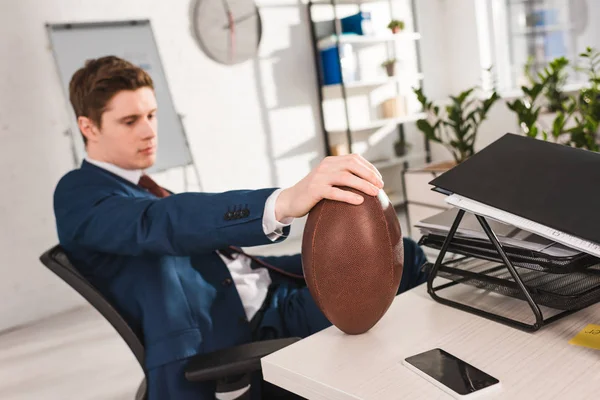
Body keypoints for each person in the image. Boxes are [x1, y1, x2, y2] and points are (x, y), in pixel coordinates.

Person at [53, 56, 428, 400]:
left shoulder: (140, 188)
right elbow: (161, 223)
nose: (149, 131)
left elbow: (217, 257)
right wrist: (282, 202)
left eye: (151, 115)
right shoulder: (79, 194)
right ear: (88, 127)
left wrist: (314, 259)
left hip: (269, 294)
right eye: (130, 121)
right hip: (249, 329)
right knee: (396, 273)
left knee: (404, 252)